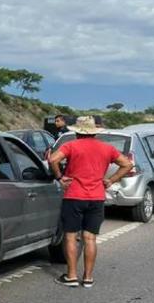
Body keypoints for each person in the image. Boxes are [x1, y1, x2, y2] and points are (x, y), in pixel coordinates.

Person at [48, 116, 132, 288]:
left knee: (71, 236)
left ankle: (71, 275)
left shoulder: (71, 145)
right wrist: (111, 180)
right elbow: (127, 164)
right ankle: (88, 277)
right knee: (90, 238)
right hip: (96, 197)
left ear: (77, 132)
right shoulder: (107, 148)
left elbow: (53, 159)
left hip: (74, 196)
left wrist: (60, 177)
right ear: (95, 132)